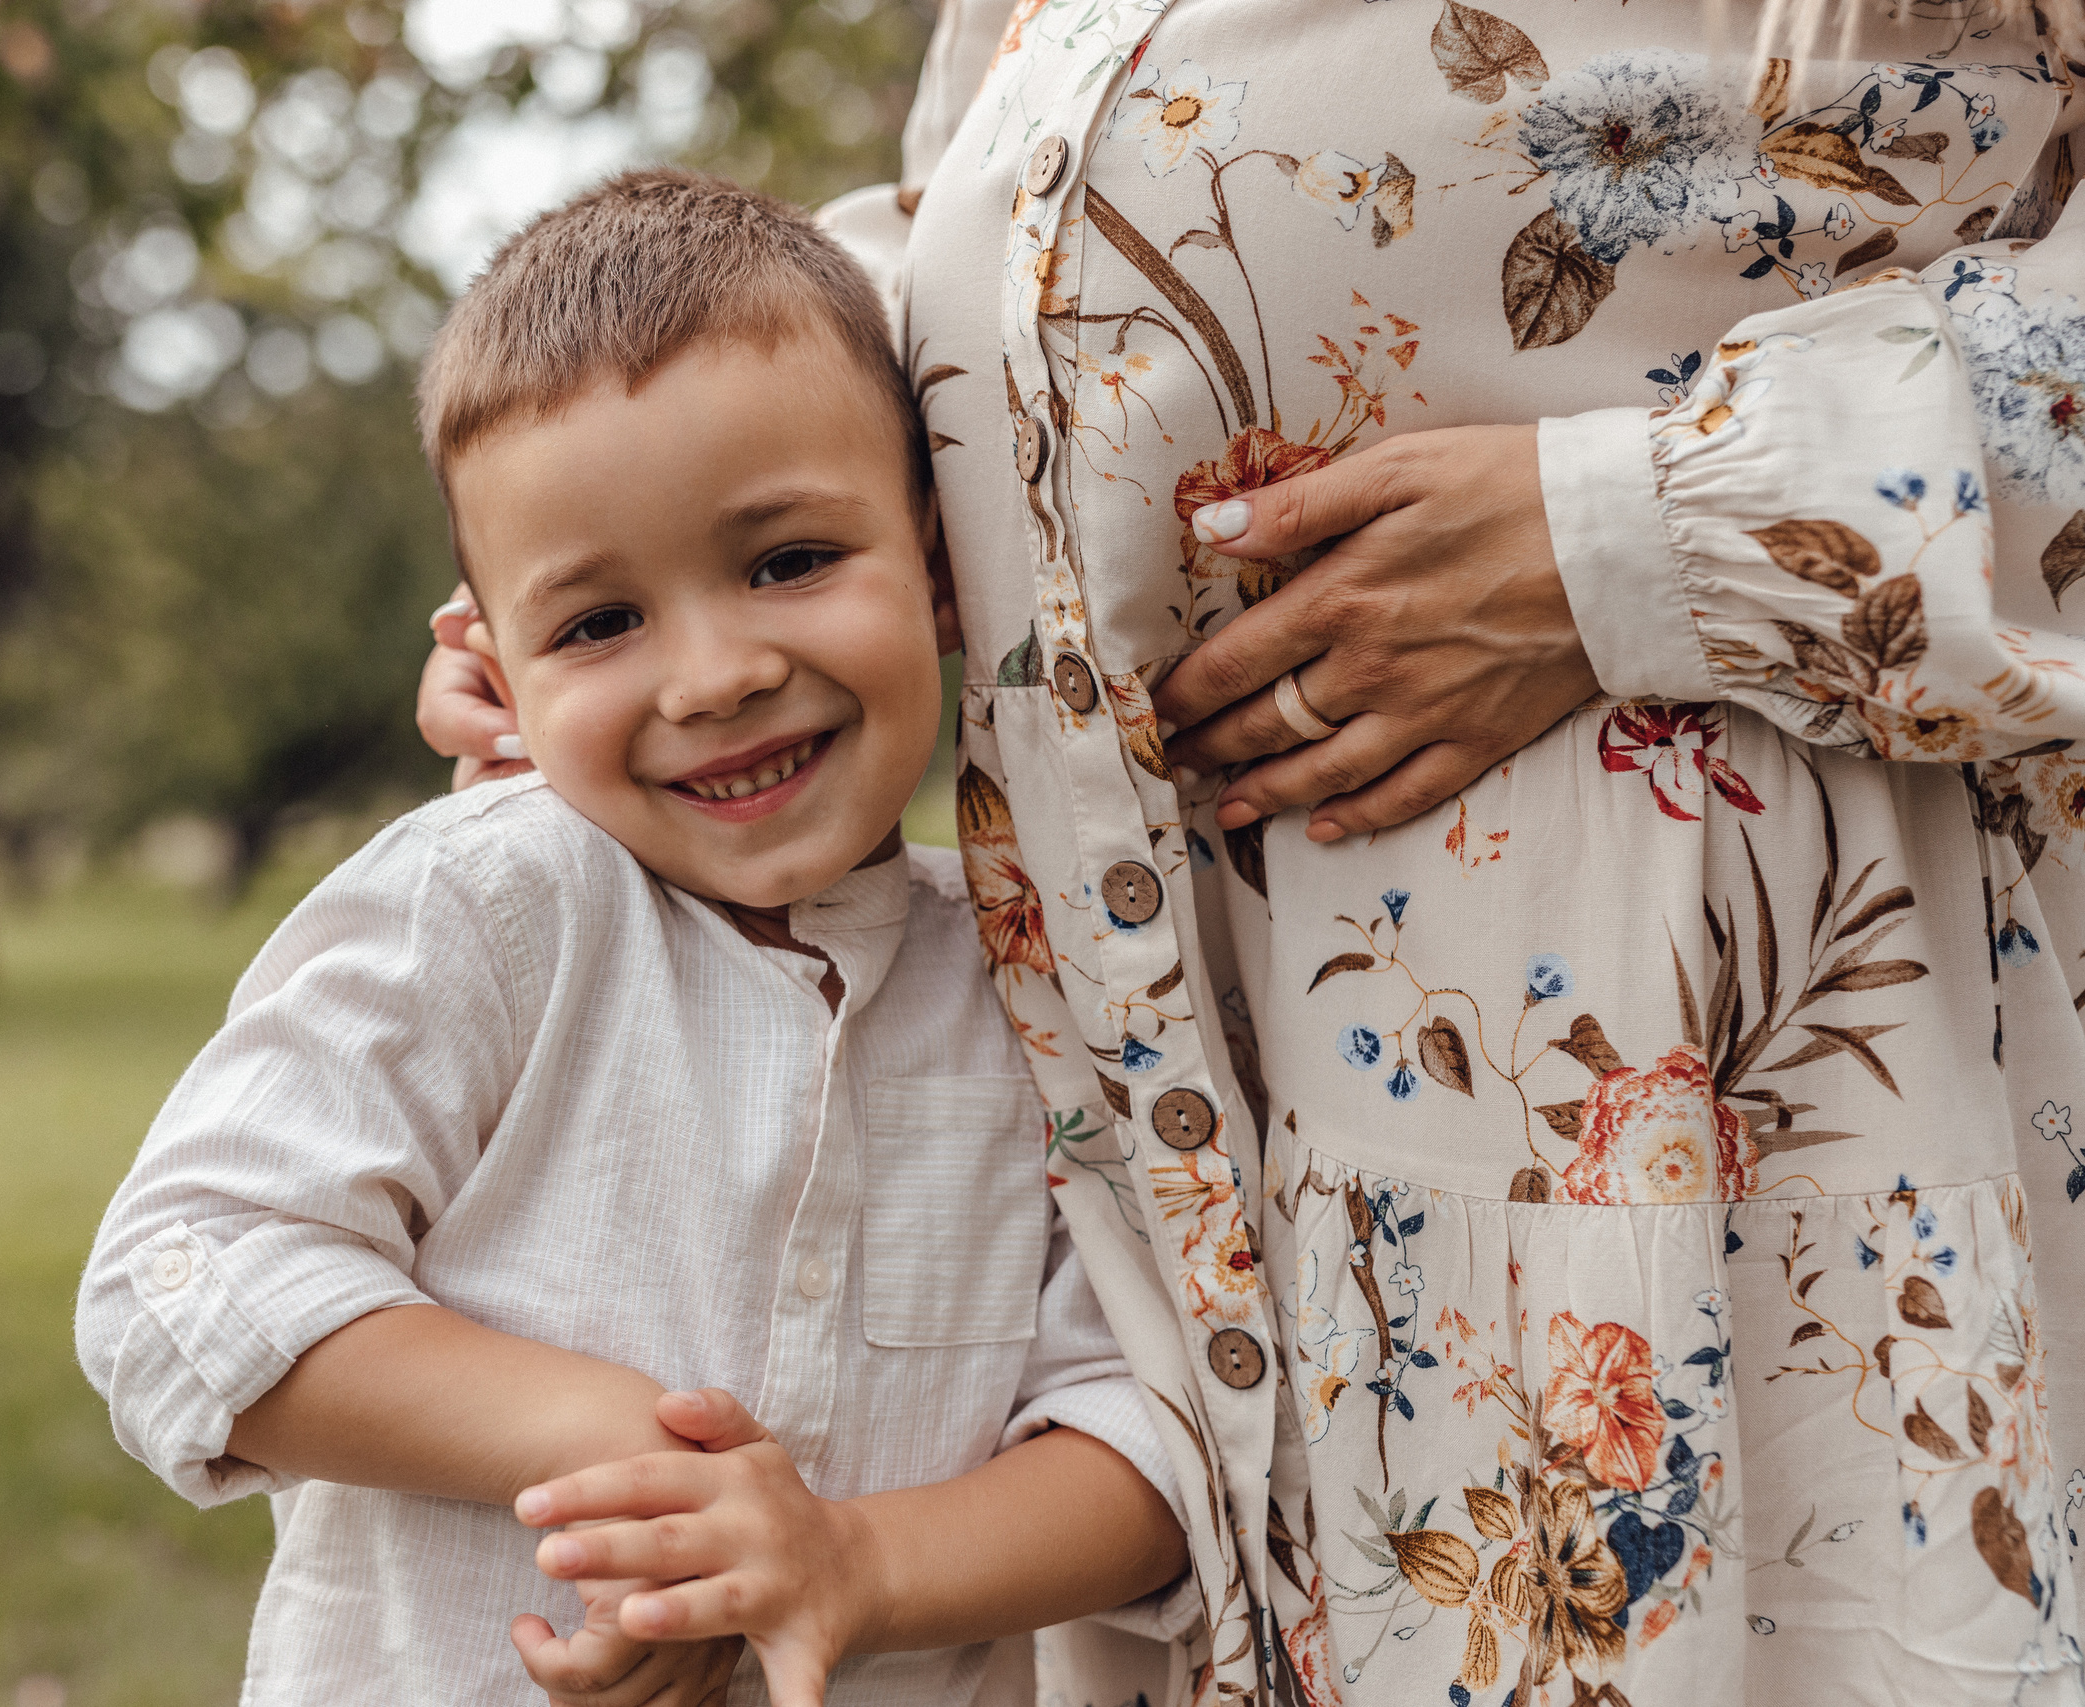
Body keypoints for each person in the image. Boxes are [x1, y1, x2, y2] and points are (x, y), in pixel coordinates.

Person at [422, 2, 2085, 1701]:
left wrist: (1647, 526)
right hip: (1200, 1103)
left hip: (1715, 1069)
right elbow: (970, 248)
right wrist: (622, 544)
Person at [74, 170, 1195, 1707]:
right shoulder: (492, 904)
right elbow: (181, 1279)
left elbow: (1148, 1441)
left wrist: (842, 1565)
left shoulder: (1031, 971)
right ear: (496, 669)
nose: (716, 675)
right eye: (599, 625)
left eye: (789, 560)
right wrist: (616, 1455)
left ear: (941, 566)